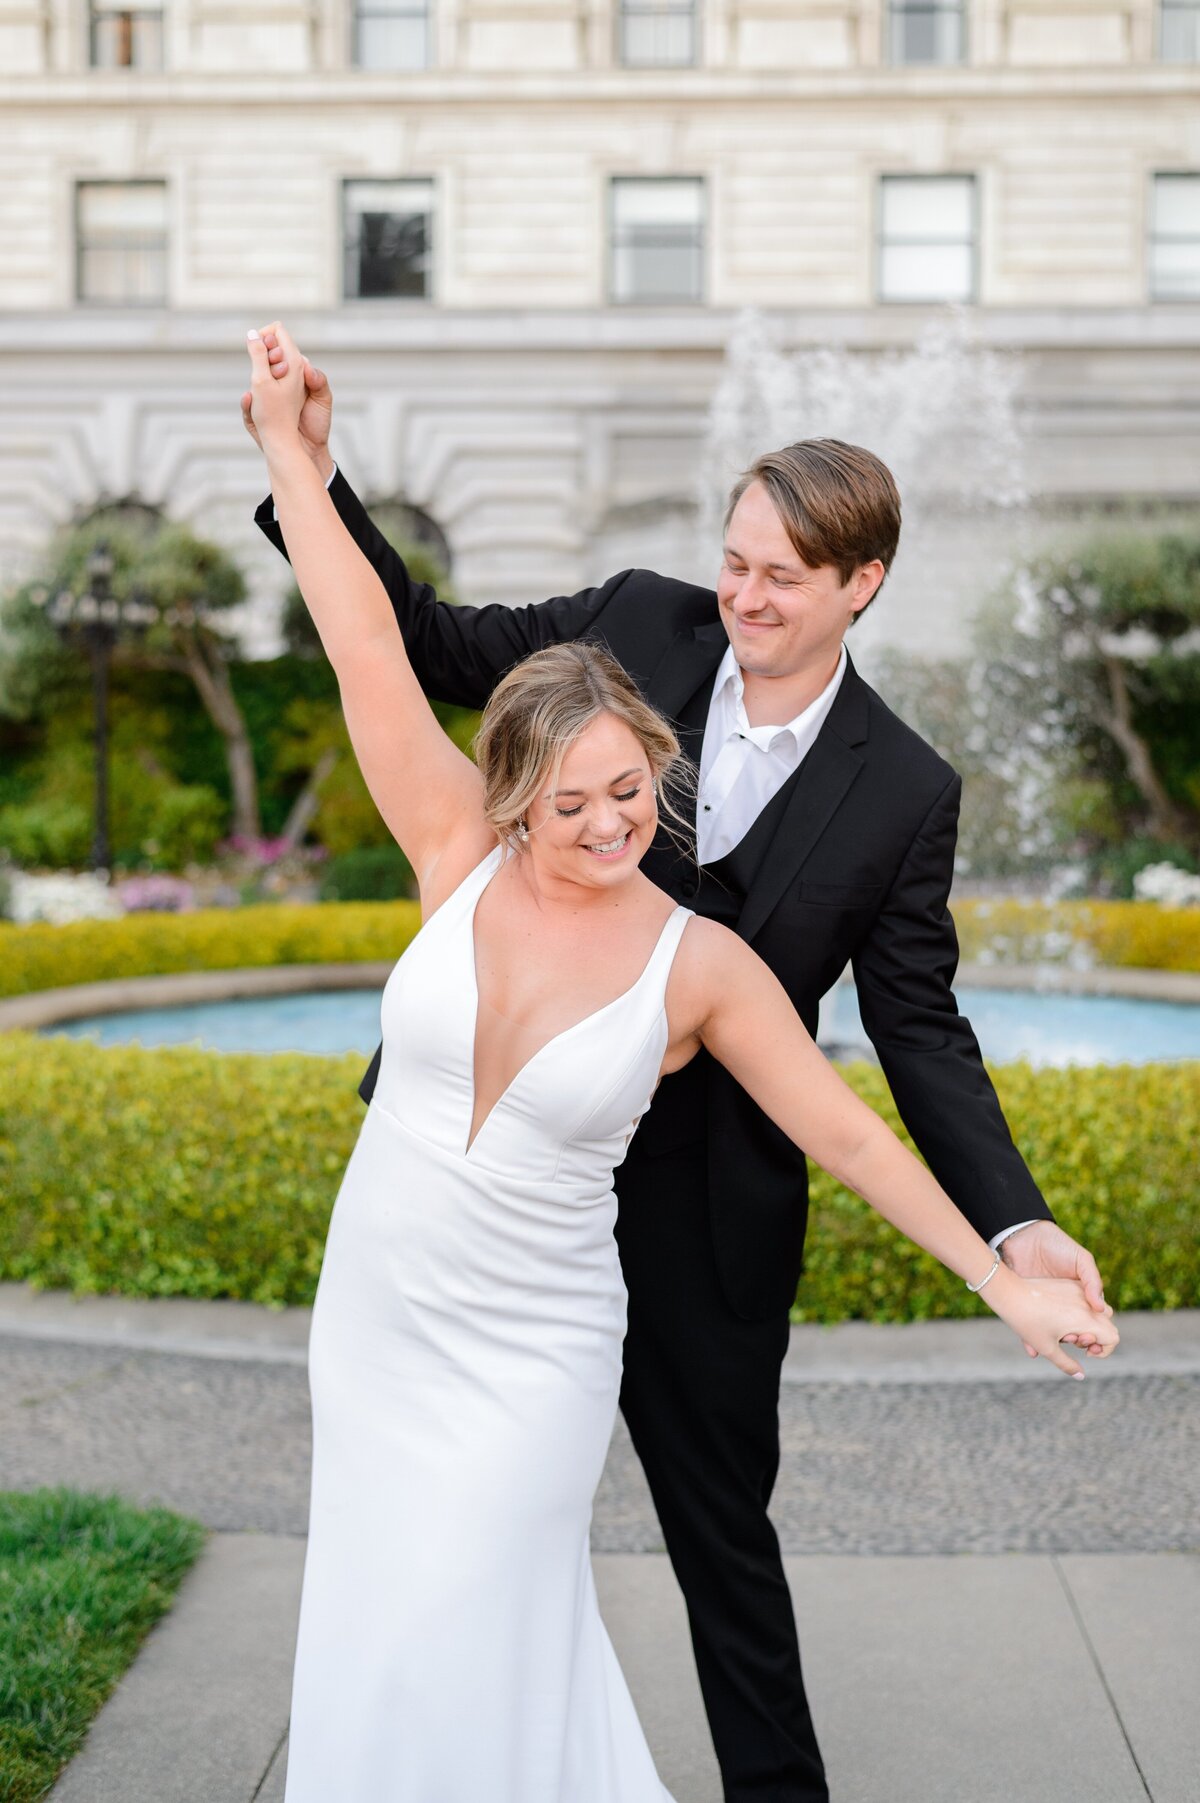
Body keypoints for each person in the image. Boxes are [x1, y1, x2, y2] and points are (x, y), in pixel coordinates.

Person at [243, 329, 1115, 1803]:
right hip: (450, 1236)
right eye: (737, 560)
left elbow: (911, 1043)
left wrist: (1011, 1244)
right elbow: (406, 649)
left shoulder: (903, 791)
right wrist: (305, 470)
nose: (745, 593)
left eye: (783, 574)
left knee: (722, 1542)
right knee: (422, 1578)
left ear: (861, 587)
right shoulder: (628, 639)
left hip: (705, 1216)